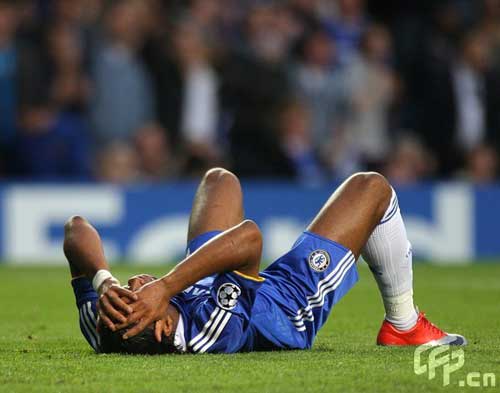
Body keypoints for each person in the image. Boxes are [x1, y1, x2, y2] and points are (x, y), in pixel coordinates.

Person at [63, 168, 466, 354]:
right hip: (279, 308)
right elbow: (250, 239)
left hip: (209, 284)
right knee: (372, 188)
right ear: (164, 326)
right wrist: (167, 286)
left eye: (129, 289)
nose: (136, 283)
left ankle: (405, 325)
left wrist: (103, 282)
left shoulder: (105, 325)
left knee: (219, 181)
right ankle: (404, 324)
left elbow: (75, 229)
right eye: (140, 296)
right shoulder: (211, 331)